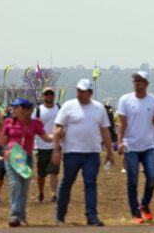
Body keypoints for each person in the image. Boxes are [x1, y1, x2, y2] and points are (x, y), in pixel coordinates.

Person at [51, 78, 113, 226]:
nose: (79, 93)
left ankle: (91, 216)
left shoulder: (99, 108)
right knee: (67, 183)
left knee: (90, 183)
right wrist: (56, 150)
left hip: (92, 153)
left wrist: (110, 152)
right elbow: (57, 127)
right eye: (78, 90)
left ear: (90, 93)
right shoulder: (68, 106)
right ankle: (60, 215)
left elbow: (105, 130)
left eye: (83, 91)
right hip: (72, 152)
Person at [116, 70, 154, 224]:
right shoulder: (125, 100)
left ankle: (144, 204)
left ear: (146, 83)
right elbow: (122, 124)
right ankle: (135, 213)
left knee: (152, 177)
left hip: (148, 146)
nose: (137, 83)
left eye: (140, 80)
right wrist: (120, 142)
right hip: (131, 146)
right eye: (135, 80)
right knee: (132, 180)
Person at [0, 98, 53, 227]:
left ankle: (21, 216)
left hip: (26, 158)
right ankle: (15, 215)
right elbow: (2, 141)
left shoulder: (34, 123)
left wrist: (58, 135)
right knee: (15, 184)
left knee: (24, 188)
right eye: (13, 107)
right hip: (12, 156)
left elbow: (46, 137)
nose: (14, 109)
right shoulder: (9, 122)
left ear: (25, 109)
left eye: (17, 107)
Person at [33, 87, 60, 203]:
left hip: (55, 145)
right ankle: (41, 192)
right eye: (46, 94)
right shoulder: (38, 110)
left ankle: (54, 194)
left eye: (51, 94)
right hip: (41, 146)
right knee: (41, 173)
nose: (49, 95)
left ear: (54, 96)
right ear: (43, 96)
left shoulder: (59, 109)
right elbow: (32, 126)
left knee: (54, 171)